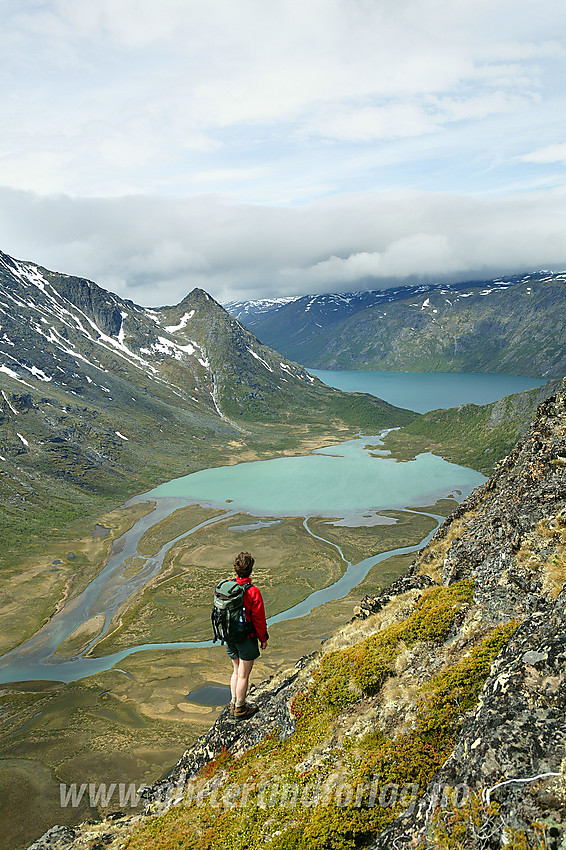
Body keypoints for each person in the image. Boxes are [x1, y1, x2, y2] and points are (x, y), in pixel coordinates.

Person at [226, 551, 268, 720]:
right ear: (250, 570)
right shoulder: (252, 592)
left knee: (236, 670)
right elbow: (259, 619)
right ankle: (240, 708)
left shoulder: (228, 586)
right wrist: (263, 638)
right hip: (246, 637)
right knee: (243, 674)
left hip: (230, 635)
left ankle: (233, 702)